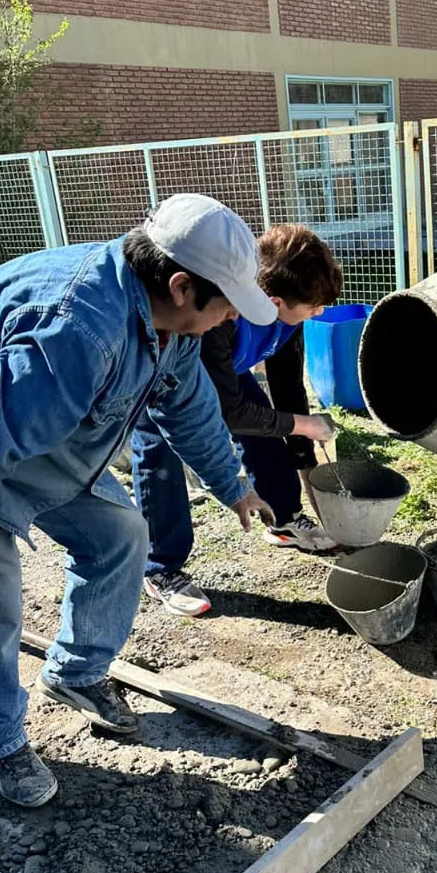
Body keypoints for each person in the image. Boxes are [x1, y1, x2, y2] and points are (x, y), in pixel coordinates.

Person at [0, 194, 276, 808]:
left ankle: (75, 672)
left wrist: (233, 485)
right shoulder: (78, 330)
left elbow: (189, 405)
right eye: (228, 301)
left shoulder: (165, 320)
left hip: (29, 430)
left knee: (120, 534)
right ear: (182, 286)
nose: (233, 317)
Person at [132, 224, 343, 618]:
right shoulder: (220, 320)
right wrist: (305, 425)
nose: (320, 313)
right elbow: (228, 413)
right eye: (314, 306)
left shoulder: (288, 321)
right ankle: (160, 567)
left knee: (266, 425)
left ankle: (282, 519)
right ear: (275, 300)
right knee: (158, 454)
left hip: (231, 371)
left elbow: (288, 388)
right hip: (170, 373)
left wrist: (303, 451)